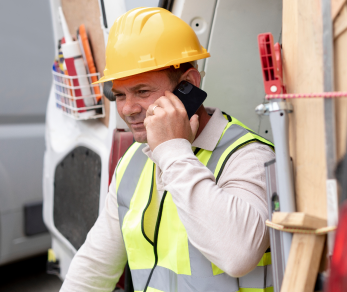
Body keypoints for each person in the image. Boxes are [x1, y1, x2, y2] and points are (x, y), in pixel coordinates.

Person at [61, 7, 275, 292]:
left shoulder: (250, 156)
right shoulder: (132, 162)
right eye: (120, 94)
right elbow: (93, 268)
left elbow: (238, 255)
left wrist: (173, 149)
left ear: (188, 85)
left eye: (142, 91)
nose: (127, 109)